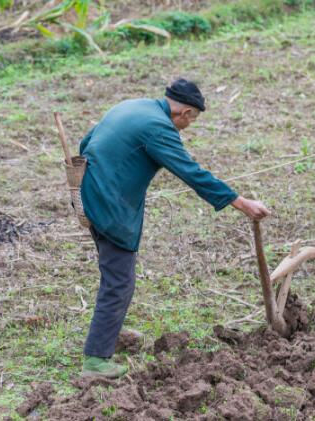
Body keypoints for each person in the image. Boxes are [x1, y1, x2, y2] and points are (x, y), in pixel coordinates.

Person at [78, 79, 270, 378]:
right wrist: (240, 202)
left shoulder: (134, 106)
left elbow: (86, 142)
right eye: (192, 119)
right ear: (186, 113)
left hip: (87, 194)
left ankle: (108, 333)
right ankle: (96, 360)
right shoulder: (159, 127)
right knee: (120, 280)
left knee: (114, 273)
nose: (189, 125)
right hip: (109, 204)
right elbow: (189, 171)